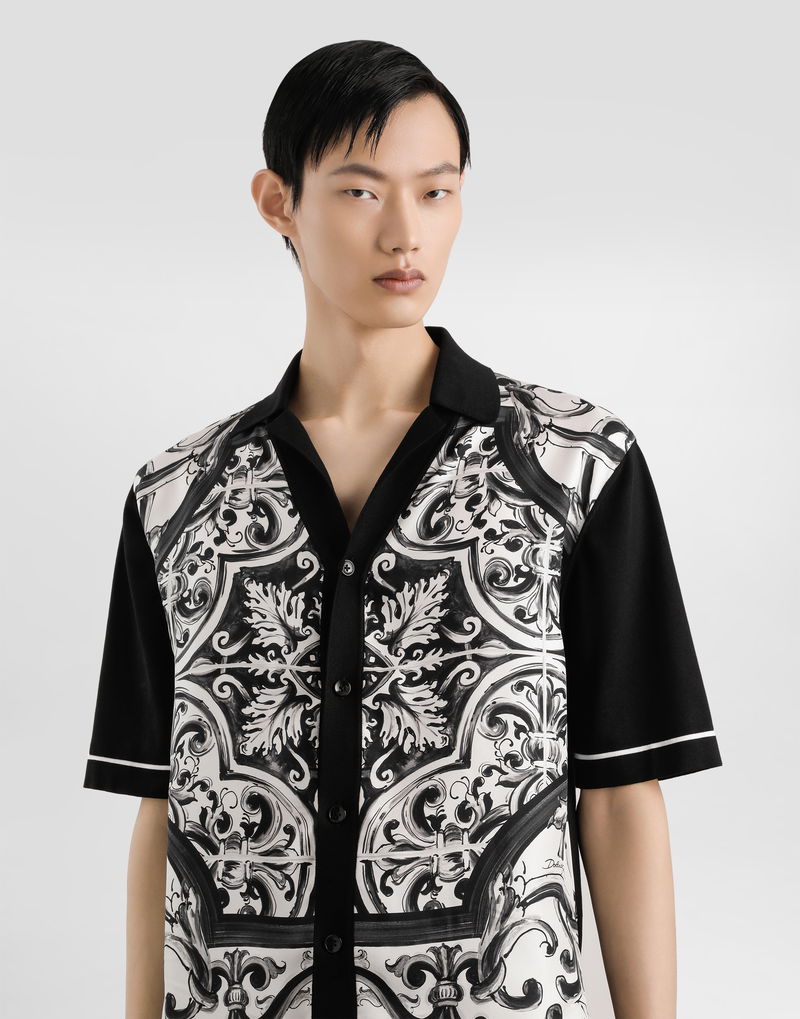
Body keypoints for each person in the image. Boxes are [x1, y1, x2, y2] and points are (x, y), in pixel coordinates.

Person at [83, 39, 723, 1019]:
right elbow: (162, 806)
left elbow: (623, 791)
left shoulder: (574, 468)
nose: (404, 233)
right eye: (359, 191)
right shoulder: (176, 497)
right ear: (277, 201)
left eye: (435, 192)